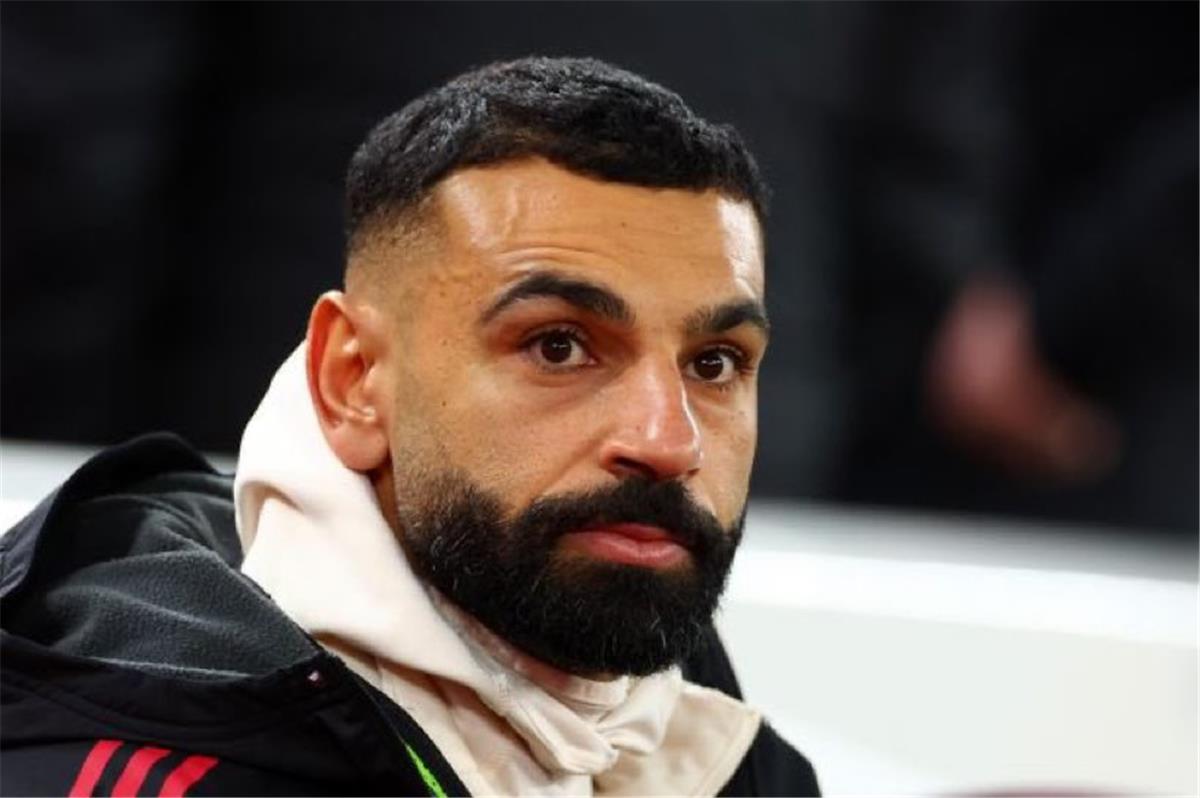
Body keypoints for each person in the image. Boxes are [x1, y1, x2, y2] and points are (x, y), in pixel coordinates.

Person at [0, 57, 819, 796]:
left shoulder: (726, 756)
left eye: (715, 363)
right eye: (558, 347)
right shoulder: (123, 771)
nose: (668, 443)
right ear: (353, 379)